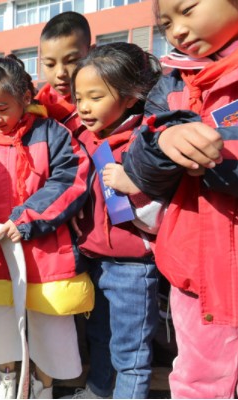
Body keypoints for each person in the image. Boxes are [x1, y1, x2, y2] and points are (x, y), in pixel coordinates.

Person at [123, 0, 238, 398]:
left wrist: (220, 158)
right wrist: (163, 141)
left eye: (188, 9)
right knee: (195, 378)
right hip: (194, 270)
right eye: (166, 22)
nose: (177, 30)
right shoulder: (172, 81)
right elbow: (139, 167)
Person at [0, 55, 89, 399]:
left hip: (48, 253)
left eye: (2, 108)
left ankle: (43, 385)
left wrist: (26, 218)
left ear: (25, 97)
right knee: (1, 328)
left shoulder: (53, 133)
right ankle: (7, 379)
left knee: (51, 329)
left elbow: (71, 179)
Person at [69, 43, 163, 399]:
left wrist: (133, 188)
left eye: (95, 97)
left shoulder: (146, 141)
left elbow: (164, 213)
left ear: (129, 97)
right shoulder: (82, 140)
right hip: (94, 260)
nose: (84, 107)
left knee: (132, 355)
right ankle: (97, 391)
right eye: (79, 98)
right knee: (100, 339)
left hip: (133, 267)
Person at [36, 11, 92, 132]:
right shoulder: (33, 110)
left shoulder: (106, 105)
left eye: (71, 61)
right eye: (50, 64)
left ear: (91, 53)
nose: (60, 73)